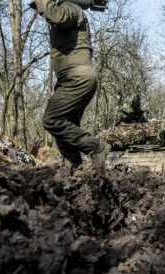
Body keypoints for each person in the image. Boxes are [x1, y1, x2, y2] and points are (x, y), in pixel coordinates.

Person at [30, 0, 111, 168]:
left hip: (77, 78)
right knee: (66, 129)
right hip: (70, 78)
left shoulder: (71, 8)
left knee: (52, 119)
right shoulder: (71, 9)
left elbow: (58, 16)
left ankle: (96, 147)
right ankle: (73, 166)